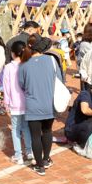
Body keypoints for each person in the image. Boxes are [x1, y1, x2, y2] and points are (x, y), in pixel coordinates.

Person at [19, 34, 62, 176]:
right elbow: (60, 80)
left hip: (33, 105)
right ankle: (46, 159)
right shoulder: (51, 60)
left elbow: (22, 85)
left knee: (35, 136)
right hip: (49, 103)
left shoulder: (24, 65)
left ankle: (40, 166)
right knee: (48, 131)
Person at [3, 41, 33, 165]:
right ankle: (29, 151)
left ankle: (18, 155)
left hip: (14, 103)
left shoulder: (9, 67)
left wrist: (6, 103)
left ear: (13, 53)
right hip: (27, 102)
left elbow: (6, 86)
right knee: (26, 128)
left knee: (15, 129)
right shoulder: (28, 65)